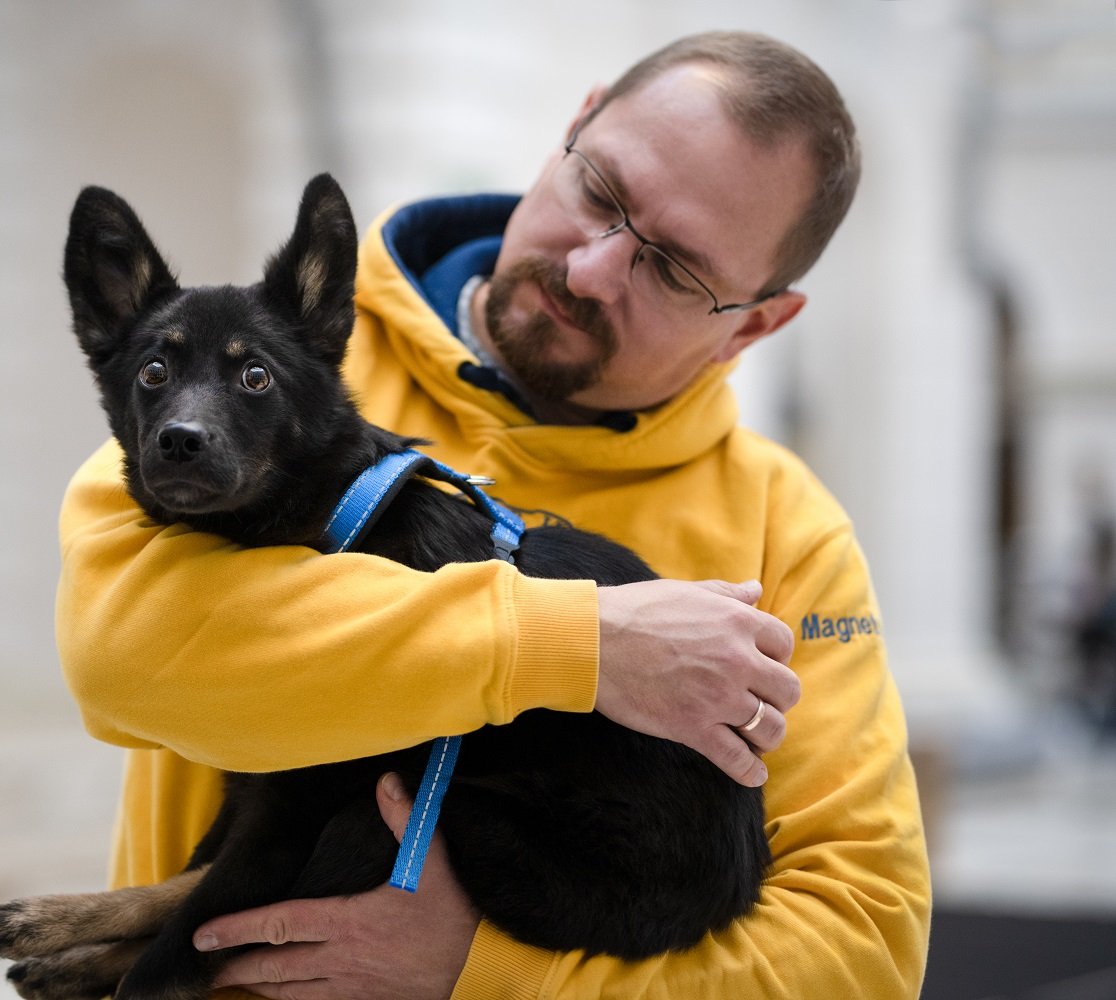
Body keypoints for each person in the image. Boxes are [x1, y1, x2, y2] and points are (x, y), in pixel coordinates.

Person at [56, 30, 930, 999]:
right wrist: (582, 644)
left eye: (676, 269)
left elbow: (864, 948)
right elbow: (119, 654)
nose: (594, 270)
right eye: (601, 191)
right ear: (576, 123)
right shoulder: (271, 378)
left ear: (757, 322)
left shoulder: (785, 529)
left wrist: (493, 972)